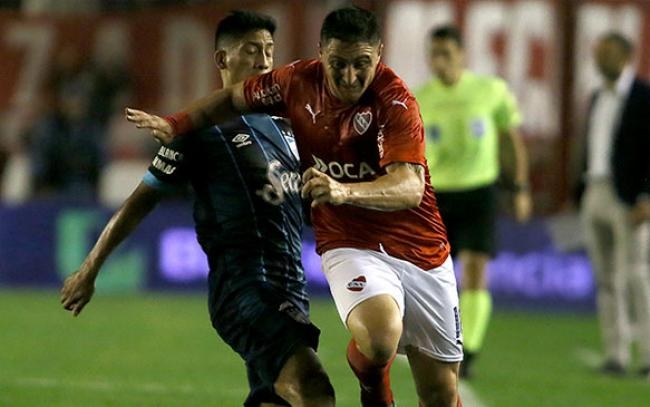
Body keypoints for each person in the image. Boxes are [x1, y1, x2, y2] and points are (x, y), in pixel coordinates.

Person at [127, 6, 464, 407]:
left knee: (441, 394)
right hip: (349, 241)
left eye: (361, 64)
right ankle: (375, 386)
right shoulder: (295, 83)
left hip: (421, 247)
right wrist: (177, 123)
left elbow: (410, 187)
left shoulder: (396, 102)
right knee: (378, 338)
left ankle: (380, 375)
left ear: (379, 54)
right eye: (338, 64)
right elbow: (232, 98)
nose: (349, 76)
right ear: (321, 52)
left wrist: (343, 191)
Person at [61, 11, 335, 407]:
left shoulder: (286, 126)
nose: (263, 61)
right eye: (251, 50)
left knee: (276, 399)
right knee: (313, 388)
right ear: (223, 59)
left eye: (268, 51)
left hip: (291, 289)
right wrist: (89, 270)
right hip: (244, 290)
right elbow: (140, 202)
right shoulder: (199, 131)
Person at [413, 25, 532, 379]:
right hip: (435, 194)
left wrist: (519, 187)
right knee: (434, 275)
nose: (439, 61)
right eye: (434, 54)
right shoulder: (419, 98)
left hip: (480, 191)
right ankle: (438, 341)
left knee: (477, 270)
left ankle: (469, 352)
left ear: (462, 55)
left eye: (446, 54)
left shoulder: (490, 91)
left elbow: (510, 139)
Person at [578, 31, 650, 378]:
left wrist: (647, 196)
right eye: (597, 53)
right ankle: (616, 354)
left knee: (636, 275)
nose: (598, 59)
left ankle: (648, 355)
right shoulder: (597, 96)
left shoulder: (643, 96)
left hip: (628, 197)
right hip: (595, 189)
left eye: (605, 53)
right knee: (605, 278)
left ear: (625, 56)